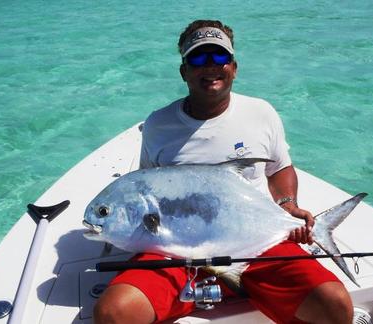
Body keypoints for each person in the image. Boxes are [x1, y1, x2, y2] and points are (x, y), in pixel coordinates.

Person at [94, 20, 353, 324]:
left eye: (218, 57)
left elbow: (280, 168)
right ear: (184, 71)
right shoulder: (159, 124)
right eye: (198, 58)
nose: (210, 66)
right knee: (114, 313)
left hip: (256, 243)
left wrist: (287, 206)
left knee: (334, 304)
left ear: (233, 66)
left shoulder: (261, 113)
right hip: (174, 251)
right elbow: (148, 190)